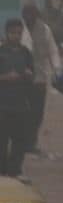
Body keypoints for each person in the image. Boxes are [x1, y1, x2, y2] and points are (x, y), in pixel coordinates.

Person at [19, 2, 57, 155]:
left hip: (40, 78)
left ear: (36, 15)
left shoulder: (45, 30)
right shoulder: (17, 30)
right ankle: (22, 142)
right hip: (20, 79)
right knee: (22, 112)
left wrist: (57, 70)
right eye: (26, 13)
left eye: (31, 13)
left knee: (37, 113)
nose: (28, 17)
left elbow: (52, 51)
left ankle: (31, 143)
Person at [0, 18, 34, 177]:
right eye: (13, 33)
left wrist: (28, 75)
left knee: (19, 140)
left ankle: (15, 170)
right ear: (6, 33)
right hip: (3, 104)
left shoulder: (26, 52)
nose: (16, 36)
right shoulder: (1, 52)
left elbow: (31, 74)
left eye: (19, 33)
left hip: (20, 104)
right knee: (2, 140)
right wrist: (6, 77)